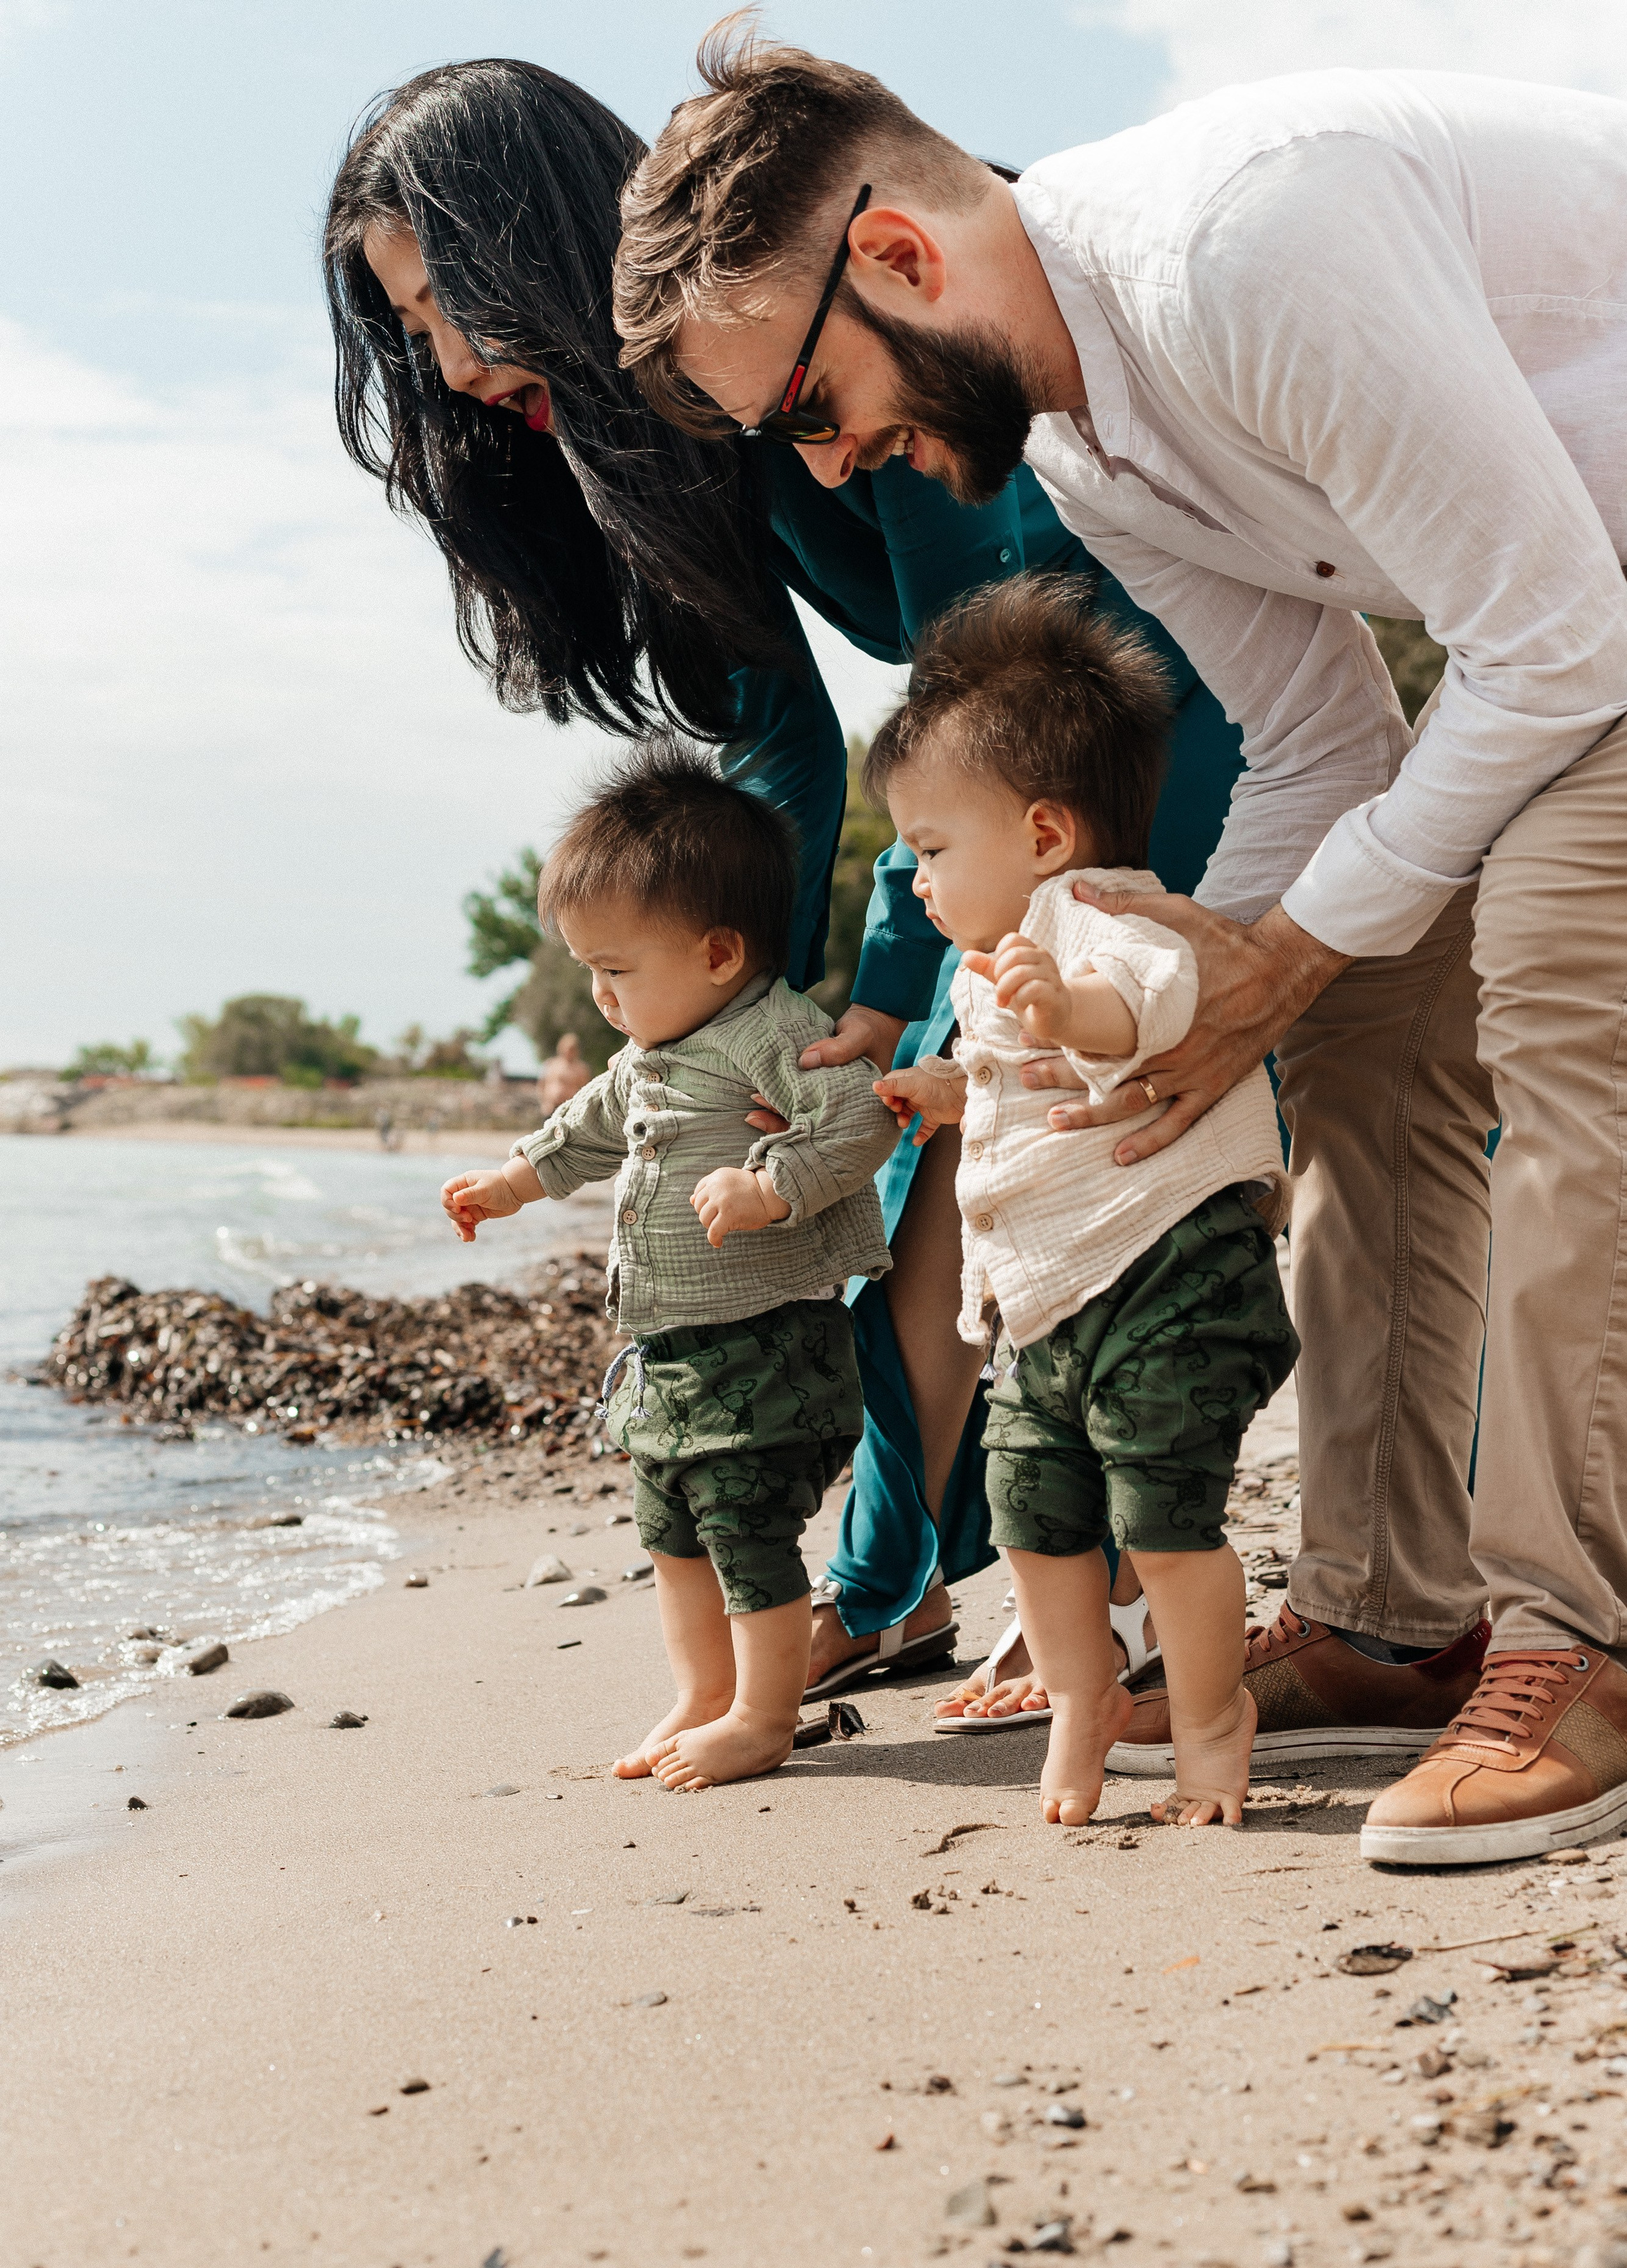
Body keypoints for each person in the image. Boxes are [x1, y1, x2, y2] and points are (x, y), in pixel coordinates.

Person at [611, 32, 1627, 1863]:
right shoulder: (1087, 453)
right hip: (1572, 609)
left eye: (811, 409)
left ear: (901, 258)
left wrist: (1285, 952)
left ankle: (1585, 1638)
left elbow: (1552, 639)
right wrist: (1187, 976)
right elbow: (1328, 750)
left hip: (1590, 617)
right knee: (1358, 1022)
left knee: (1554, 974)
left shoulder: (1248, 244)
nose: (840, 469)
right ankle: (1389, 1616)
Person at [322, 58, 1272, 1724]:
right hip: (983, 770)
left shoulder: (796, 312)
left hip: (1134, 722)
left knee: (1045, 1150)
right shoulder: (637, 440)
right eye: (411, 337)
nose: (456, 367)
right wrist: (744, 1021)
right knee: (905, 1148)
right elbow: (778, 747)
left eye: (455, 303)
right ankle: (920, 1586)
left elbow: (991, 655)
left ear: (537, 239)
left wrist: (893, 988)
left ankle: (1086, 1582)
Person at [872, 575, 1297, 1826]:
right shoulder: (983, 967)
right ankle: (1080, 1701)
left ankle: (1213, 1722)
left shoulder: (1100, 914)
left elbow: (1150, 998)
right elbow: (1018, 1077)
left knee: (1163, 1524)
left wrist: (1076, 1011)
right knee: (1034, 1522)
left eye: (933, 850)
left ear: (1046, 836)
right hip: (1049, 1314)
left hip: (1168, 1281)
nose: (916, 879)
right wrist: (952, 1093)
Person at [440, 741, 898, 1790]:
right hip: (673, 1355)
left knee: (744, 1534)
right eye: (588, 973)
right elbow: (585, 1128)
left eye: (615, 971)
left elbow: (860, 1117)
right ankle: (701, 1694)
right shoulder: (645, 1055)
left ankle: (763, 1716)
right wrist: (508, 1182)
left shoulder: (776, 1034)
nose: (601, 998)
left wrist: (774, 1182)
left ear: (719, 954)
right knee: (672, 1532)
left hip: (769, 1342)